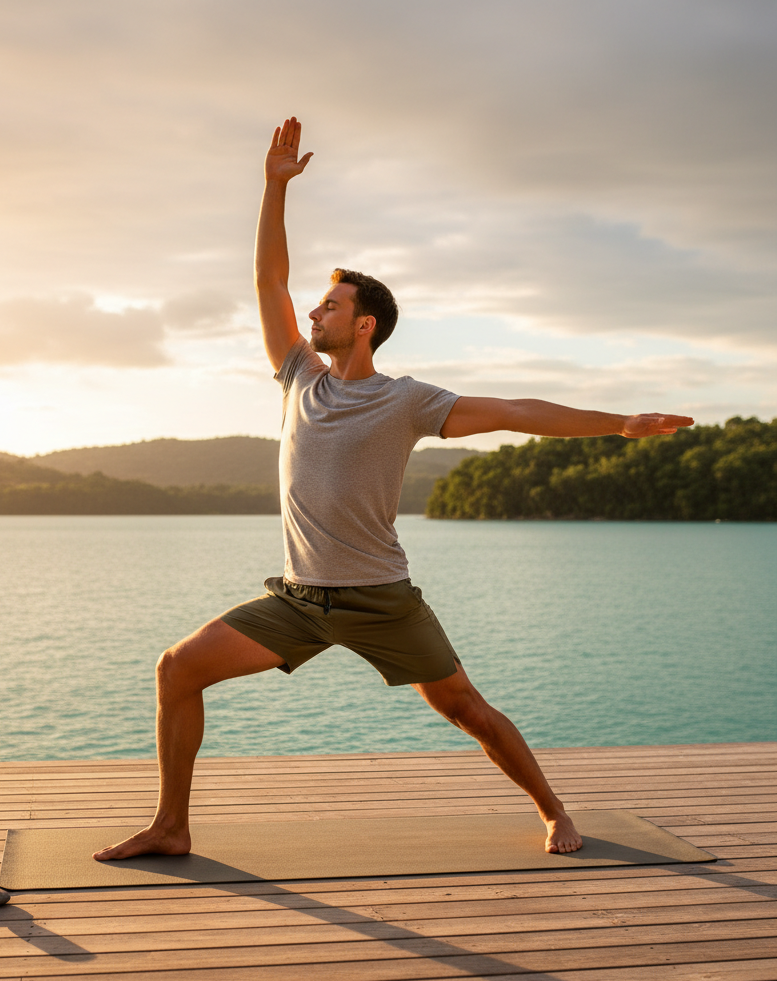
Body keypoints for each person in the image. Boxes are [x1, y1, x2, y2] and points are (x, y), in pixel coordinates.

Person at [95, 116, 693, 862]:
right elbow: (268, 280)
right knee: (177, 668)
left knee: (466, 710)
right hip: (299, 599)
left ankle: (552, 809)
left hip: (381, 599)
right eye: (317, 304)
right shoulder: (298, 378)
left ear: (365, 324)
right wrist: (273, 189)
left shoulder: (407, 400)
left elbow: (514, 412)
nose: (313, 311)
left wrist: (619, 423)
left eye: (330, 305)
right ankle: (172, 826)